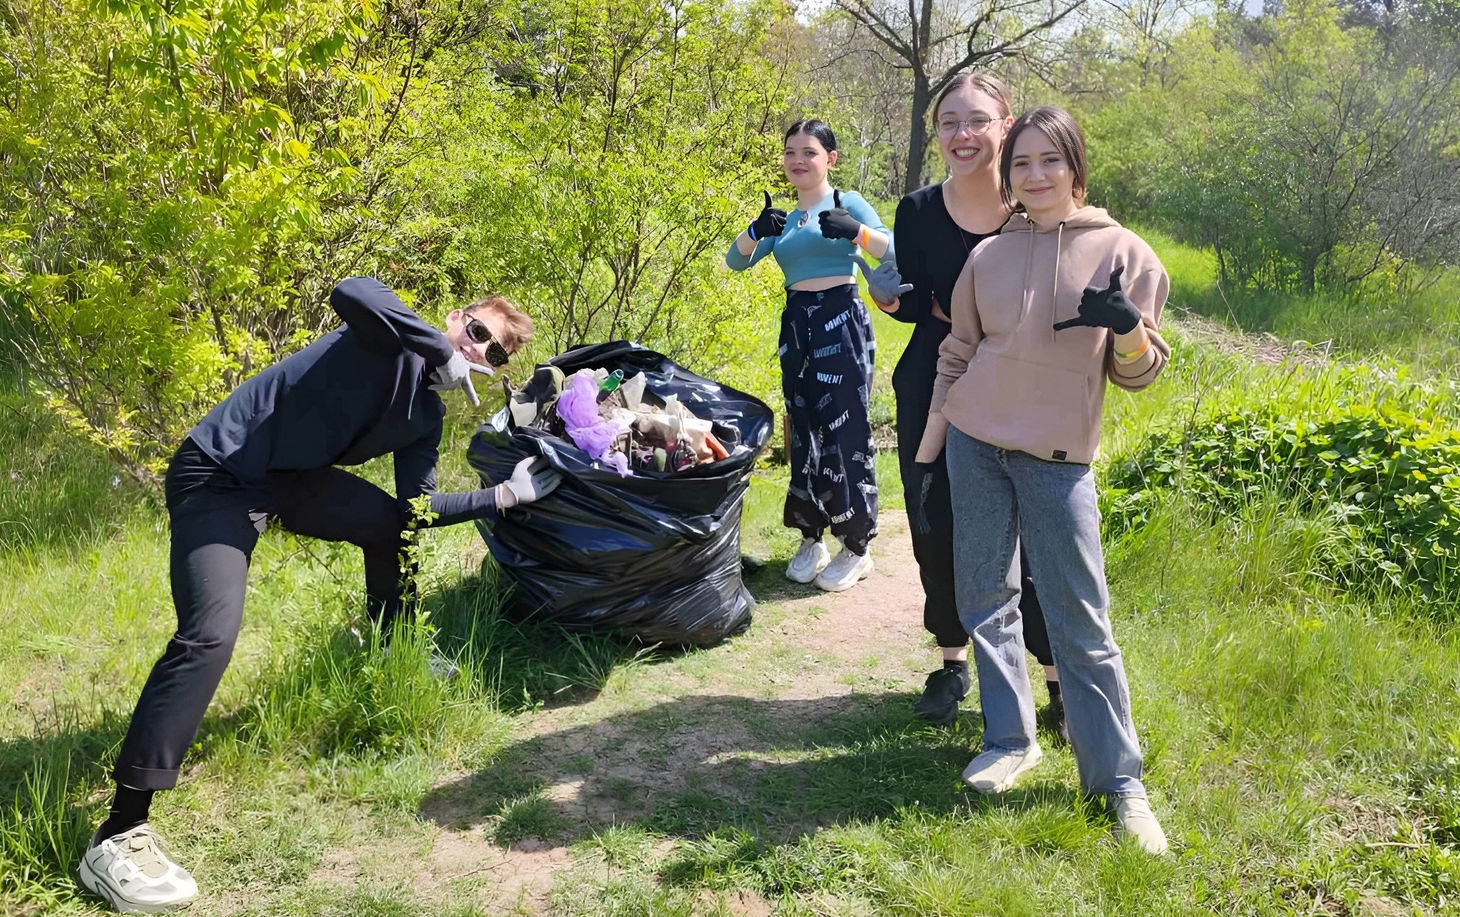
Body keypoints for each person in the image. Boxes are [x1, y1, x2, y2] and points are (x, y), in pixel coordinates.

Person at [77, 277, 563, 912]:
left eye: (493, 354)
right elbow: (352, 290)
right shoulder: (386, 338)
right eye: (475, 335)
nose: (477, 354)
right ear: (453, 319)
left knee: (389, 525)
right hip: (220, 471)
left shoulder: (427, 416)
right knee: (210, 635)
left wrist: (500, 497)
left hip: (291, 480)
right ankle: (117, 835)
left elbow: (415, 509)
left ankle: (396, 647)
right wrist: (432, 348)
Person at [916, 106, 1172, 853]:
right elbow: (956, 354)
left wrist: (1125, 327)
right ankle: (1010, 736)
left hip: (1058, 458)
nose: (1033, 176)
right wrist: (931, 454)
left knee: (1078, 613)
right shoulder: (987, 257)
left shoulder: (1124, 252)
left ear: (1076, 168)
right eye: (1020, 163)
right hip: (974, 442)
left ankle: (1119, 780)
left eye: (1048, 162)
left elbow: (1141, 374)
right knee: (982, 596)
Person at [865, 72, 1067, 732]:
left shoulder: (1034, 203)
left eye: (977, 120)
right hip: (933, 386)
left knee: (1030, 534)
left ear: (1006, 125)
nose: (962, 134)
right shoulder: (918, 210)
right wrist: (891, 300)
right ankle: (952, 663)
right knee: (935, 524)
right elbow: (919, 304)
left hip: (1018, 386)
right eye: (949, 121)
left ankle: (1057, 679)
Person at [726, 119, 892, 592]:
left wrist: (858, 231)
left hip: (841, 318)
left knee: (846, 428)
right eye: (790, 152)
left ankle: (856, 546)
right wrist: (756, 230)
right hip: (797, 322)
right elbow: (735, 261)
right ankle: (811, 536)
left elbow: (896, 250)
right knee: (804, 431)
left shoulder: (846, 202)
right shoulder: (784, 219)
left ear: (830, 159)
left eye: (809, 152)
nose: (798, 160)